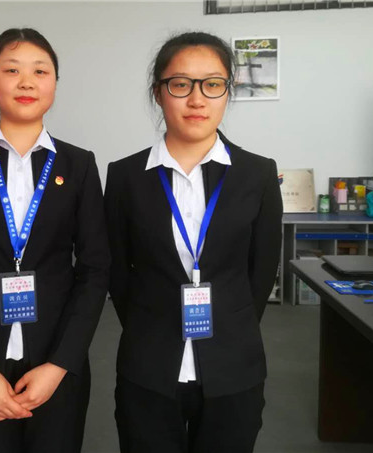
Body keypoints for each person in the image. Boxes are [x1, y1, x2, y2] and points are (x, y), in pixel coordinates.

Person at [0, 28, 110, 453]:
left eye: (40, 71)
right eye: (12, 70)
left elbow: (95, 270)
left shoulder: (78, 165)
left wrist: (61, 363)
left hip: (56, 360)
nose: (27, 82)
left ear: (54, 84)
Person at [104, 31, 283, 453]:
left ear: (227, 91)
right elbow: (117, 270)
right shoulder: (125, 176)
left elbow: (261, 272)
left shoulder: (257, 174)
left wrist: (231, 325)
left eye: (212, 84)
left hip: (233, 364)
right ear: (158, 93)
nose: (197, 99)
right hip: (149, 364)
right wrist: (151, 324)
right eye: (181, 84)